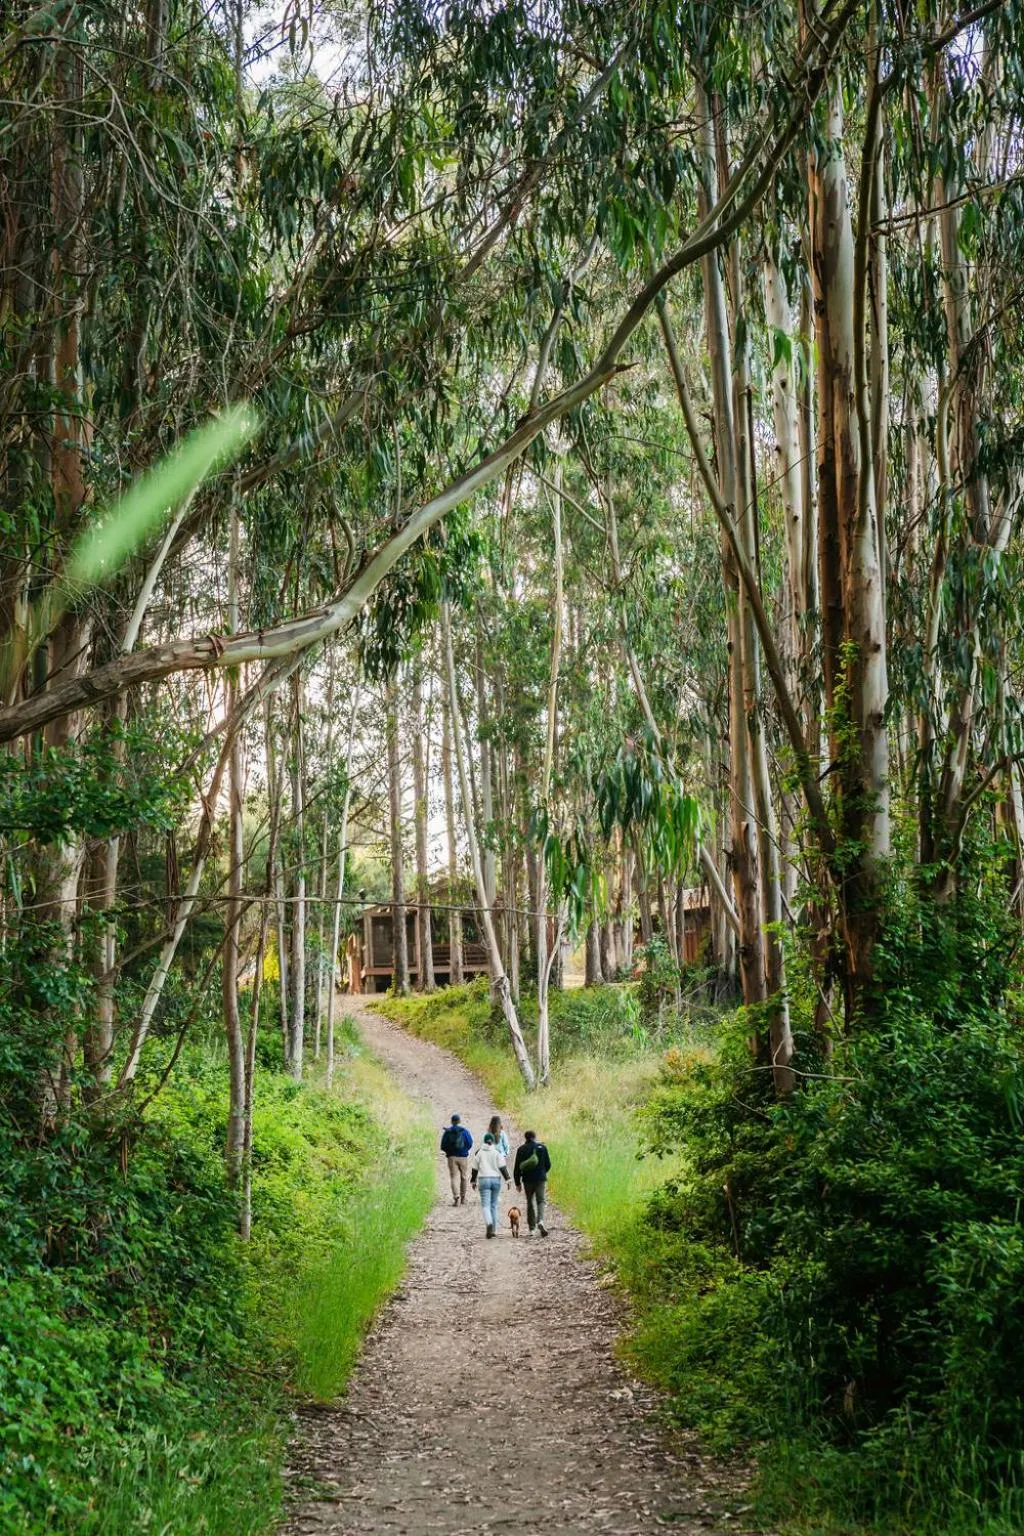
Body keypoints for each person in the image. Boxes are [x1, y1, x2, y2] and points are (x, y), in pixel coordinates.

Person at [470, 1132, 511, 1238]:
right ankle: (493, 1230)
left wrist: (473, 1181)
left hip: (483, 1180)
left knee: (485, 1205)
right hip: (496, 1180)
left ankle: (489, 1222)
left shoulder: (479, 1153)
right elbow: (502, 1167)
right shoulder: (497, 1152)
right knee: (494, 1205)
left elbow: (474, 1169)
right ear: (493, 1141)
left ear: (484, 1141)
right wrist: (508, 1180)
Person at [513, 1129, 552, 1236]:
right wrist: (543, 1173)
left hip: (527, 1180)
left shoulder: (521, 1149)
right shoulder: (542, 1148)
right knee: (540, 1201)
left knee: (530, 1202)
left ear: (525, 1138)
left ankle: (532, 1229)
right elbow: (548, 1164)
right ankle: (540, 1220)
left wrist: (517, 1183)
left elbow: (517, 1168)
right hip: (540, 1179)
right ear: (535, 1137)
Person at [440, 1113, 473, 1206]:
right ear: (459, 1121)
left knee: (453, 1177)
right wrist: (464, 1150)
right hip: (463, 1157)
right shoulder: (465, 1131)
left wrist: (449, 1152)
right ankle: (463, 1198)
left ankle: (456, 1197)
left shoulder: (448, 1132)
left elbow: (443, 1146)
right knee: (464, 1177)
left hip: (451, 1158)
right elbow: (470, 1143)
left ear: (452, 1121)